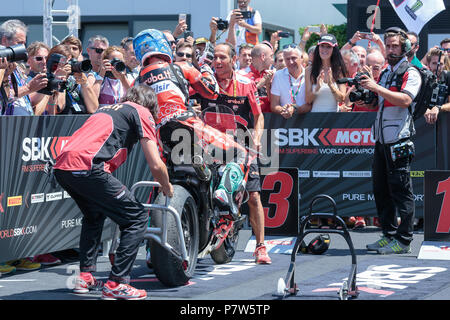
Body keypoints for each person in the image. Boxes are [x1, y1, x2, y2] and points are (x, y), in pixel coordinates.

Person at [54, 85, 173, 300]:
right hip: (87, 166)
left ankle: (85, 275)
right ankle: (117, 283)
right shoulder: (141, 111)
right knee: (136, 217)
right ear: (150, 105)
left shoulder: (105, 108)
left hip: (62, 167)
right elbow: (156, 164)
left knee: (94, 215)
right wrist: (166, 185)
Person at [359, 27, 422, 254]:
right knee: (381, 189)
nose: (392, 49)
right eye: (389, 45)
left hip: (399, 138)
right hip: (381, 139)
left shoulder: (411, 72)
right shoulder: (386, 73)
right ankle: (388, 234)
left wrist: (376, 87)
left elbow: (405, 99)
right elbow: (377, 103)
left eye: (396, 45)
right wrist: (368, 95)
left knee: (401, 190)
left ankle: (404, 240)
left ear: (405, 48)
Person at [210, 42, 271, 264]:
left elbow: (259, 116)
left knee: (253, 196)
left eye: (222, 58)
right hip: (210, 144)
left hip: (241, 145)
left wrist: (256, 138)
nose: (217, 62)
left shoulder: (246, 84)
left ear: (233, 60)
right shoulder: (205, 83)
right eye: (214, 57)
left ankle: (260, 246)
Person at [0, 19, 47, 116]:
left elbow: (26, 100)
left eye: (24, 43)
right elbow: (3, 97)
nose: (23, 48)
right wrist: (28, 88)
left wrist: (45, 87)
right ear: (4, 40)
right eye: (19, 43)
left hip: (22, 125)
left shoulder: (17, 66)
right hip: (6, 125)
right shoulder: (1, 64)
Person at [45, 44, 99, 115]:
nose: (67, 66)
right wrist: (61, 78)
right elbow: (59, 108)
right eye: (63, 63)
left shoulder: (72, 82)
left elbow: (93, 108)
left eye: (69, 62)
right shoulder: (48, 81)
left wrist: (84, 82)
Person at [305, 34, 347, 112]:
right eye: (322, 46)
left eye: (328, 47)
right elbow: (308, 100)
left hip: (333, 119)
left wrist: (331, 85)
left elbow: (341, 99)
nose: (324, 49)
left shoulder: (339, 70)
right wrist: (317, 87)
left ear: (334, 49)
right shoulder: (309, 70)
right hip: (314, 118)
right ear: (318, 47)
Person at [271, 45, 310, 118]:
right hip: (285, 123)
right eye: (287, 59)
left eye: (293, 58)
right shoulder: (278, 75)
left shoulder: (309, 74)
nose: (291, 62)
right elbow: (274, 105)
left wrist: (294, 110)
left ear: (301, 58)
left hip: (307, 122)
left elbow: (310, 104)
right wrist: (284, 110)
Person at [242, 43, 274, 113]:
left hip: (271, 120)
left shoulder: (273, 75)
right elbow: (241, 101)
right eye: (271, 56)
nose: (273, 60)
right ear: (263, 57)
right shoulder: (242, 76)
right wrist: (259, 85)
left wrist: (268, 86)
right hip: (251, 120)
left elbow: (275, 104)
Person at [423, 47, 450, 124]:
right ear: (428, 64)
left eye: (440, 64)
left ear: (444, 64)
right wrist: (423, 109)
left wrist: (438, 108)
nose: (437, 68)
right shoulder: (421, 77)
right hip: (421, 124)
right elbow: (413, 101)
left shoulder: (448, 76)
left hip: (444, 123)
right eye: (434, 63)